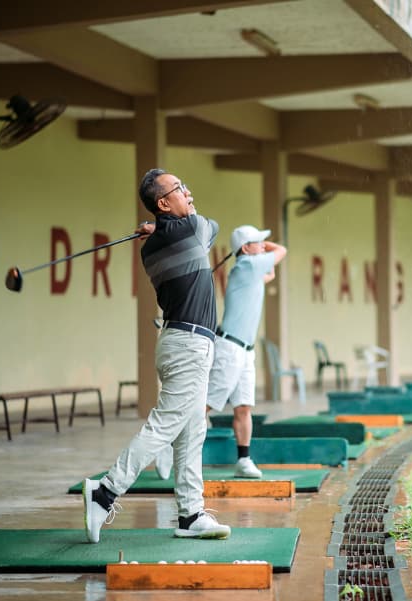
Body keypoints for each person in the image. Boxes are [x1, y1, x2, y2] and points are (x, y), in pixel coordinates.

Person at [82, 168, 230, 543]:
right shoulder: (191, 229)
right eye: (181, 188)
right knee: (165, 426)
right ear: (164, 202)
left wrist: (156, 228)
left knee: (192, 431)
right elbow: (212, 225)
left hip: (182, 342)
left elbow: (188, 226)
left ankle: (191, 514)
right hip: (188, 345)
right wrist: (160, 225)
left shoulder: (152, 246)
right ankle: (105, 492)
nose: (189, 191)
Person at [155, 226, 286, 480]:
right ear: (246, 249)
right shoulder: (247, 266)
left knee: (243, 407)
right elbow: (282, 251)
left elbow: (270, 272)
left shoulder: (251, 270)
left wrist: (254, 245)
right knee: (204, 406)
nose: (263, 245)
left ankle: (244, 459)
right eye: (258, 242)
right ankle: (167, 447)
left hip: (246, 351)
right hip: (230, 349)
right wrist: (260, 248)